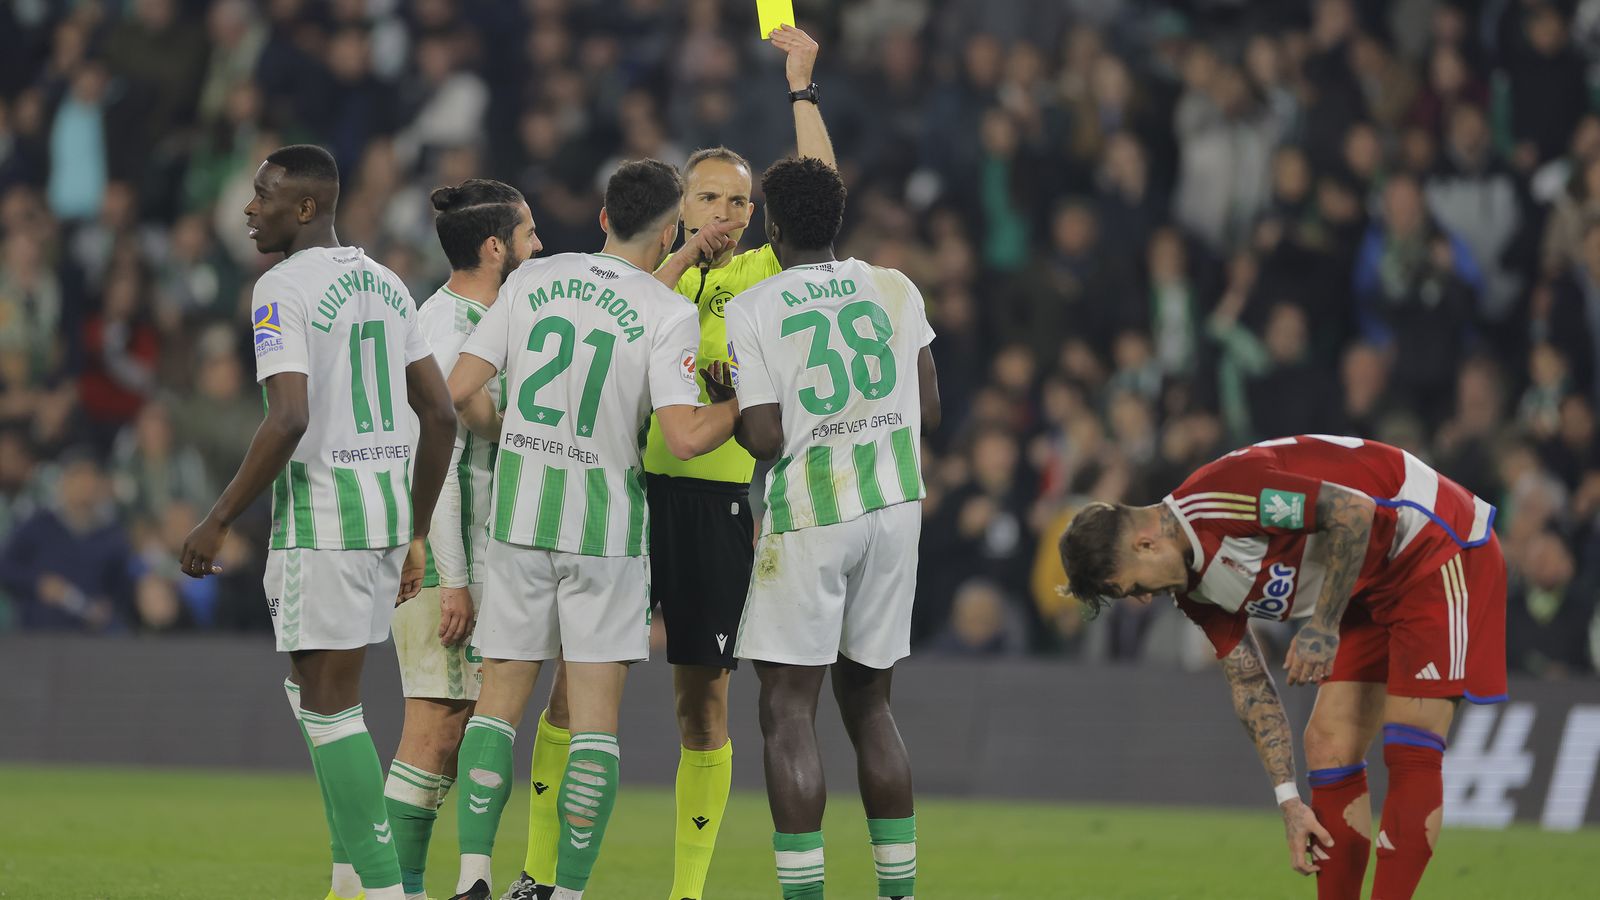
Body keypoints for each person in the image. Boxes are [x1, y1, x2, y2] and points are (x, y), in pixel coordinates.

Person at [504, 24, 836, 900]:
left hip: (712, 510)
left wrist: (801, 87)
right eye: (710, 199)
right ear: (678, 209)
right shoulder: (633, 280)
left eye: (738, 202)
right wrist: (678, 262)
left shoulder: (765, 273)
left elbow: (820, 192)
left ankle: (686, 892)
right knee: (571, 700)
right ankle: (540, 876)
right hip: (620, 501)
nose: (727, 214)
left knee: (704, 706)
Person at [443, 158, 741, 900]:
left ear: (603, 216)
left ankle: (474, 876)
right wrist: (748, 401)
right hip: (603, 533)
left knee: (498, 709)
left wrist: (503, 426)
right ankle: (566, 891)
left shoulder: (532, 282)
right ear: (671, 227)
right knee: (595, 727)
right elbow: (683, 436)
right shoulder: (665, 312)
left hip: (518, 519)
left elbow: (456, 391)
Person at [178, 144, 456, 900]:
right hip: (383, 520)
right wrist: (419, 528)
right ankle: (346, 878)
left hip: (323, 520)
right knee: (313, 694)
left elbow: (288, 416)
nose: (247, 208)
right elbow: (440, 414)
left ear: (305, 207)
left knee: (331, 707)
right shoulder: (389, 284)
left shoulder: (280, 289)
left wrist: (218, 518)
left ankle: (385, 889)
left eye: (262, 195)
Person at [1058, 434, 1506, 900]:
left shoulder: (1225, 498)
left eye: (1132, 588)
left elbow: (1354, 513)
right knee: (1328, 744)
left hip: (1434, 546)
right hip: (1366, 582)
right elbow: (1250, 681)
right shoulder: (1192, 588)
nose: (1144, 599)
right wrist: (1288, 800)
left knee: (1409, 745)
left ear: (1146, 543)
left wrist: (1323, 626)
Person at [722, 156, 940, 900]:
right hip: (895, 507)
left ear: (772, 225)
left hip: (814, 513)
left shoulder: (752, 309)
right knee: (872, 705)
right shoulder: (895, 286)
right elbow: (929, 410)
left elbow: (763, 436)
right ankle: (898, 894)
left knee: (786, 711)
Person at [382, 179, 542, 900]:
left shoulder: (487, 317)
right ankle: (394, 889)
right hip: (442, 558)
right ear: (494, 246)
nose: (539, 246)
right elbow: (434, 464)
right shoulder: (446, 329)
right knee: (434, 732)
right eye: (529, 233)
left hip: (480, 560)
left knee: (455, 736)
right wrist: (451, 576)